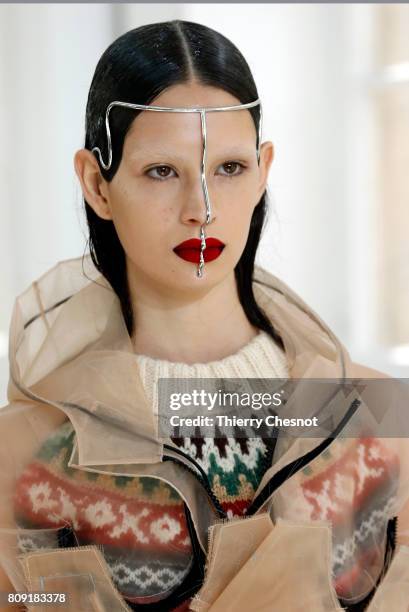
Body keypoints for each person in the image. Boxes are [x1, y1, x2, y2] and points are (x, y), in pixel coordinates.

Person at [1, 19, 409, 612]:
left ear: (265, 169)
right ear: (97, 183)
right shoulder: (25, 448)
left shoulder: (379, 419)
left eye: (230, 168)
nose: (202, 209)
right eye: (162, 171)